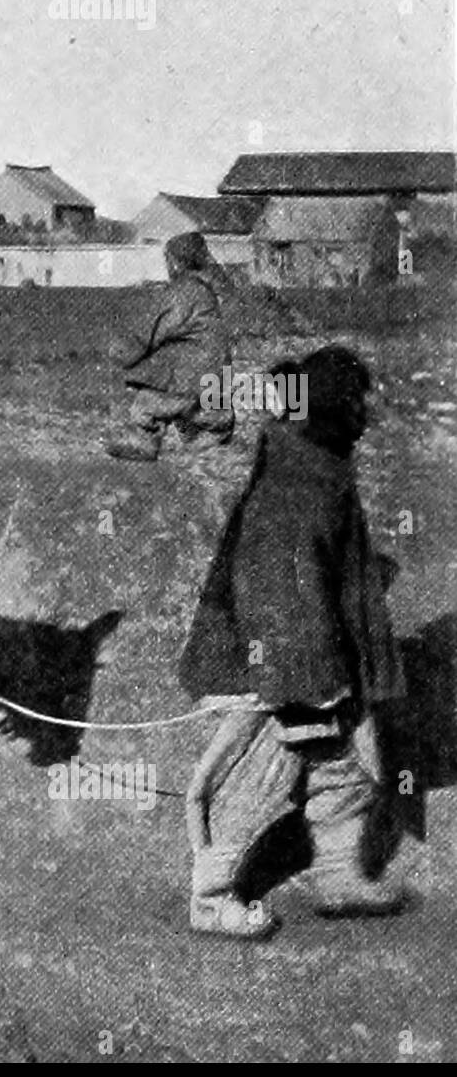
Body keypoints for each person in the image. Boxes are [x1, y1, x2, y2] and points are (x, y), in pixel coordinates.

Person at [177, 345, 408, 939]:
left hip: (320, 663)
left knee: (346, 769)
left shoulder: (320, 465)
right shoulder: (292, 484)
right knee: (259, 778)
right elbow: (277, 590)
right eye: (357, 401)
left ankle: (335, 873)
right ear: (331, 404)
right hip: (280, 668)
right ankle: (212, 897)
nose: (365, 413)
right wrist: (297, 682)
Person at [105, 231, 234, 461]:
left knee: (146, 404)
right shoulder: (205, 289)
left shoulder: (183, 293)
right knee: (186, 396)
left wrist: (121, 353)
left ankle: (144, 438)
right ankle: (212, 426)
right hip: (215, 375)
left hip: (194, 374)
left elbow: (150, 331)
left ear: (175, 262)